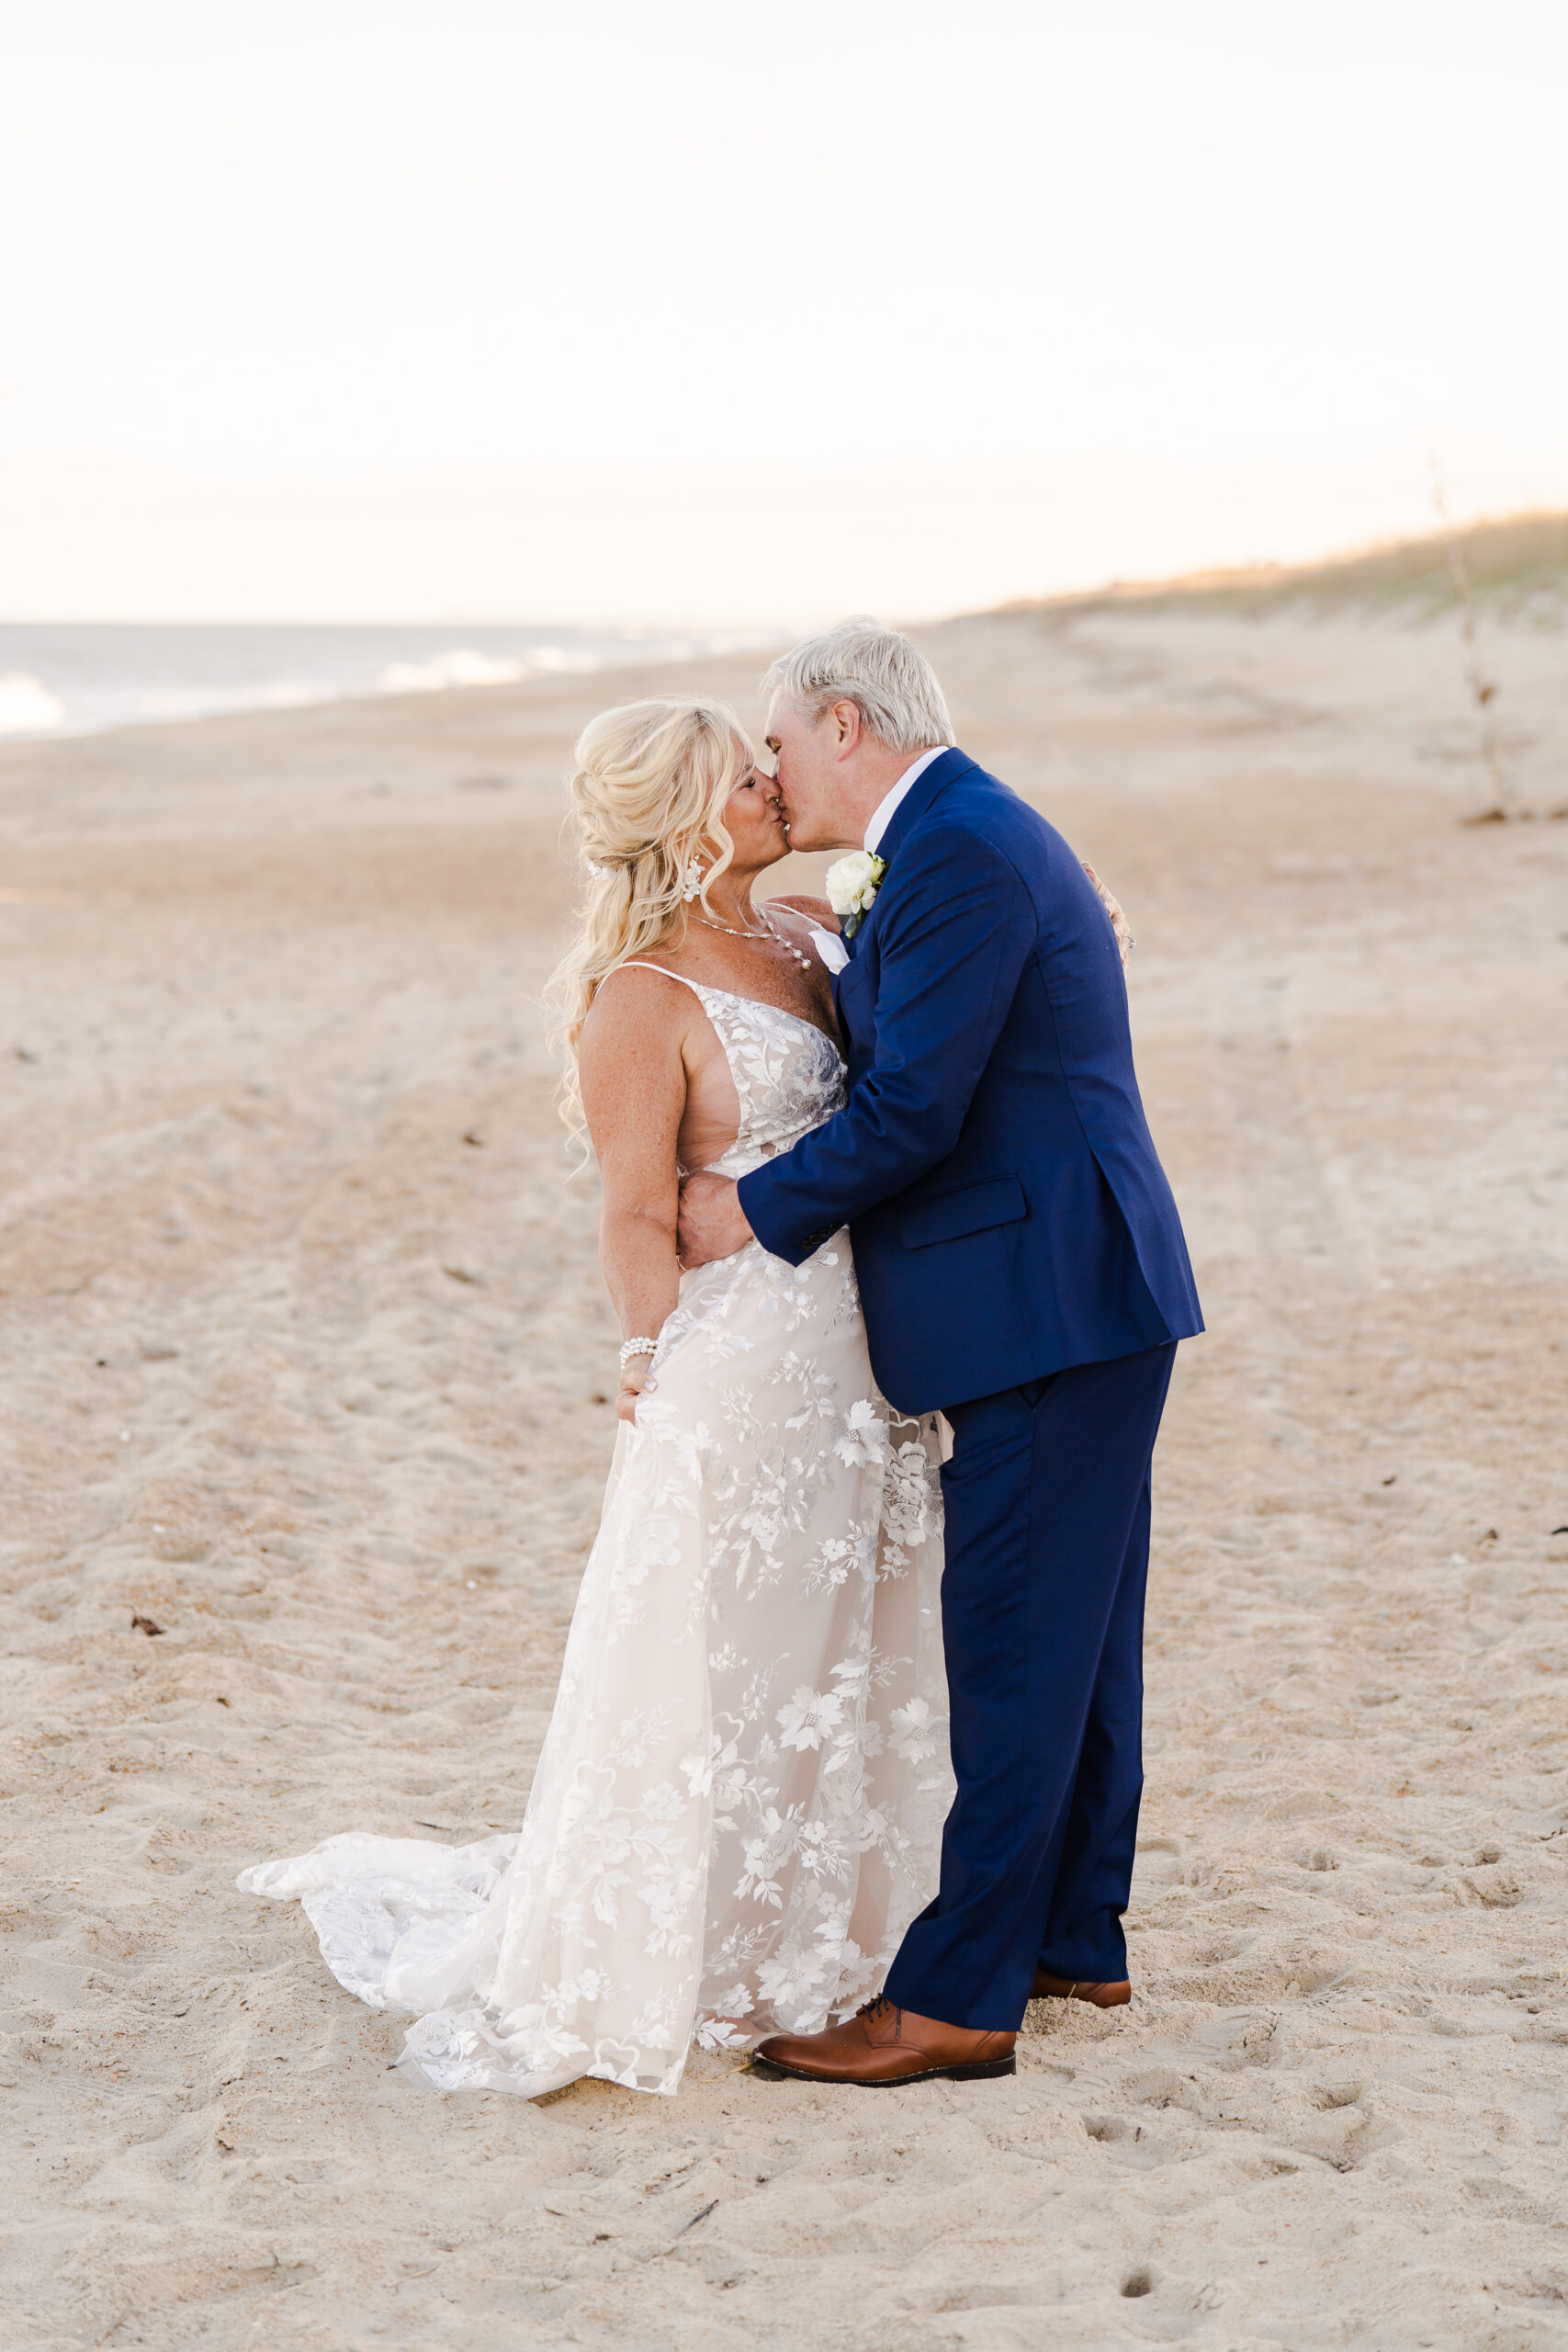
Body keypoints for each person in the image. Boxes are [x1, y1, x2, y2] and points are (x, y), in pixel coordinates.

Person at [238, 696, 953, 2098]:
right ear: (688, 822)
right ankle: (707, 1943)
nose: (774, 783)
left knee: (857, 1642)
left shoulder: (811, 932)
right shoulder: (642, 997)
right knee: (732, 1658)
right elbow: (634, 1211)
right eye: (743, 779)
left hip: (870, 1356)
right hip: (745, 1367)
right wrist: (644, 1358)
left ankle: (863, 1924)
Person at [677, 625, 1203, 2087]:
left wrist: (744, 1212)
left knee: (1020, 1645)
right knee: (1079, 1638)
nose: (772, 770)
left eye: (779, 742)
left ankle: (958, 2000)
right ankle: (1073, 1936)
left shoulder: (962, 848)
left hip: (1044, 1295)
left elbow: (914, 1108)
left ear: (845, 724)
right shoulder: (956, 836)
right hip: (1081, 1286)